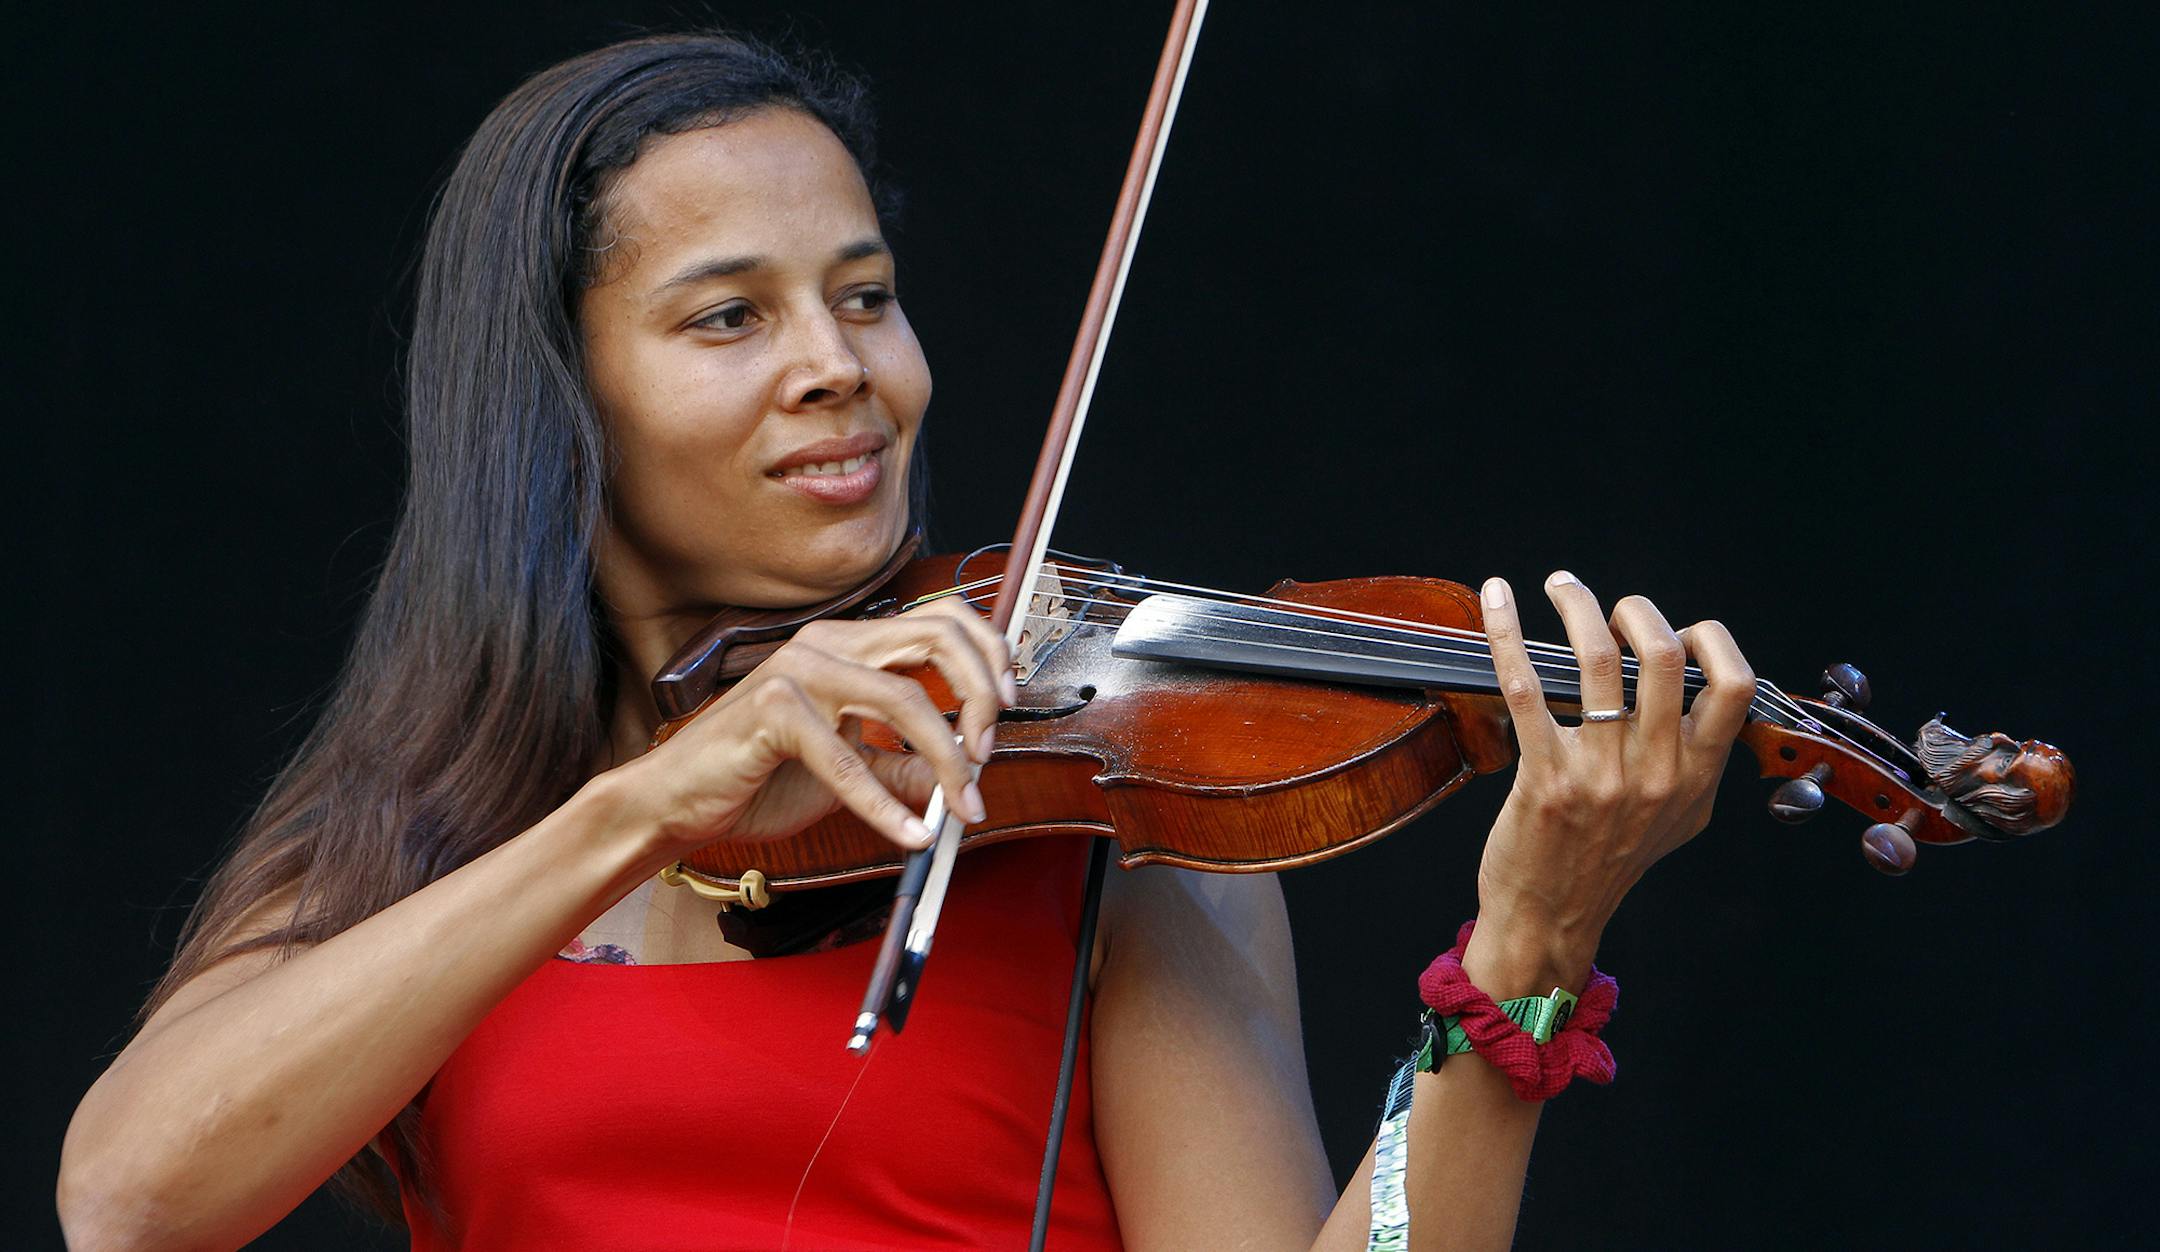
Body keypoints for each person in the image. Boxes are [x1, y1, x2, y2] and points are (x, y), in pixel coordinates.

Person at [56, 31, 1756, 1251]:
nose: (841, 367)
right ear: (555, 401)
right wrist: (641, 805)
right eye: (731, 315)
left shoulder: (1100, 822)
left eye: (865, 295)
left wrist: (1529, 946)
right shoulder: (428, 832)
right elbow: (129, 1200)